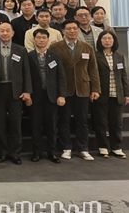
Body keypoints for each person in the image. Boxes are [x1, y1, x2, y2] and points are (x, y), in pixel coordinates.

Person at [49, 19, 101, 161]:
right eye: (69, 29)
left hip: (83, 88)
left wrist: (95, 89)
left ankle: (83, 148)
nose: (72, 31)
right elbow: (52, 71)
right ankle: (66, 148)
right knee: (64, 120)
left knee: (82, 121)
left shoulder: (87, 47)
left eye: (74, 28)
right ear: (63, 31)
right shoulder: (55, 47)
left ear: (78, 30)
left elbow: (93, 69)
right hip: (64, 90)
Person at [0, 22, 32, 164]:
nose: (5, 33)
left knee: (16, 123)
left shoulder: (21, 50)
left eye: (7, 30)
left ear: (13, 33)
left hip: (16, 91)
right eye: (2, 31)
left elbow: (26, 72)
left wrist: (27, 91)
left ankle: (15, 153)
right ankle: (2, 152)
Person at [28, 28, 67, 163]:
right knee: (36, 126)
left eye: (44, 38)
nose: (41, 40)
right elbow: (26, 77)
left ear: (48, 40)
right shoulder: (29, 56)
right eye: (38, 38)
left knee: (52, 126)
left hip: (52, 96)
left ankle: (52, 152)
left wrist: (61, 95)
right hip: (35, 96)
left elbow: (61, 77)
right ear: (34, 40)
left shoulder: (54, 56)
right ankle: (36, 152)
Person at [94, 31, 128, 159]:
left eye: (110, 38)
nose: (107, 41)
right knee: (101, 122)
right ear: (100, 41)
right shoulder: (96, 56)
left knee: (116, 123)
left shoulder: (119, 56)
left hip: (117, 94)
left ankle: (116, 147)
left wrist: (126, 94)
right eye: (104, 38)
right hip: (101, 94)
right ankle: (103, 147)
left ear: (114, 41)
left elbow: (124, 76)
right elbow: (93, 75)